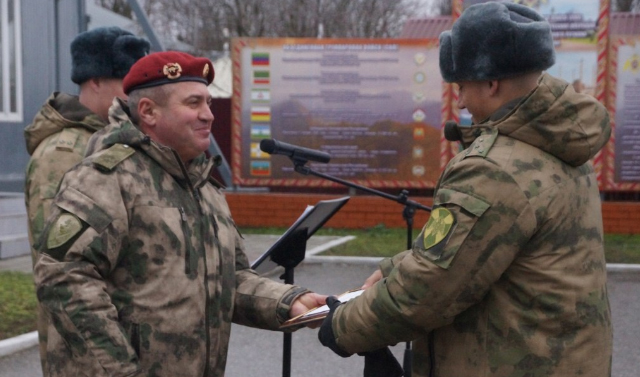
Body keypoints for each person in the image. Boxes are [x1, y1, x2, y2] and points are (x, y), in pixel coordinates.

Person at [318, 2, 613, 377]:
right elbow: (482, 249)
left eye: (461, 86)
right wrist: (395, 268)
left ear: (491, 83)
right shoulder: (560, 143)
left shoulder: (494, 169)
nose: (459, 100)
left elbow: (428, 291)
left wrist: (343, 327)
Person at [33, 51, 326, 377]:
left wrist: (287, 302)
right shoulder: (107, 178)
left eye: (209, 103)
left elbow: (230, 280)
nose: (208, 115)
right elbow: (63, 279)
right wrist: (122, 370)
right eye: (193, 103)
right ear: (148, 112)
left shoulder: (205, 188)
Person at [23, 26, 150, 374]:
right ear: (94, 81)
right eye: (127, 81)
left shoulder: (116, 140)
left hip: (124, 336)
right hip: (85, 352)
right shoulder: (62, 154)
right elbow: (58, 261)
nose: (136, 94)